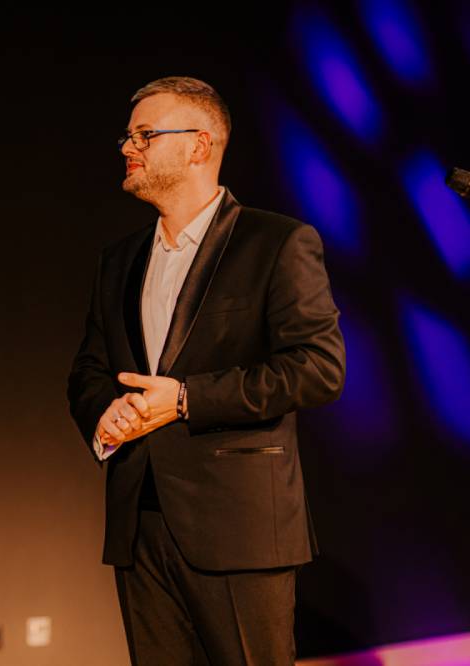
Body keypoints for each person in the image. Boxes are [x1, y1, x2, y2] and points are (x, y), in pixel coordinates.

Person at [67, 76, 345, 665]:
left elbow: (318, 368)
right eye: (127, 136)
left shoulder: (277, 242)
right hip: (139, 524)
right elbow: (89, 369)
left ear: (199, 145)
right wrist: (104, 413)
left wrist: (185, 399)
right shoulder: (118, 260)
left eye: (145, 134)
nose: (128, 147)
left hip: (239, 526)